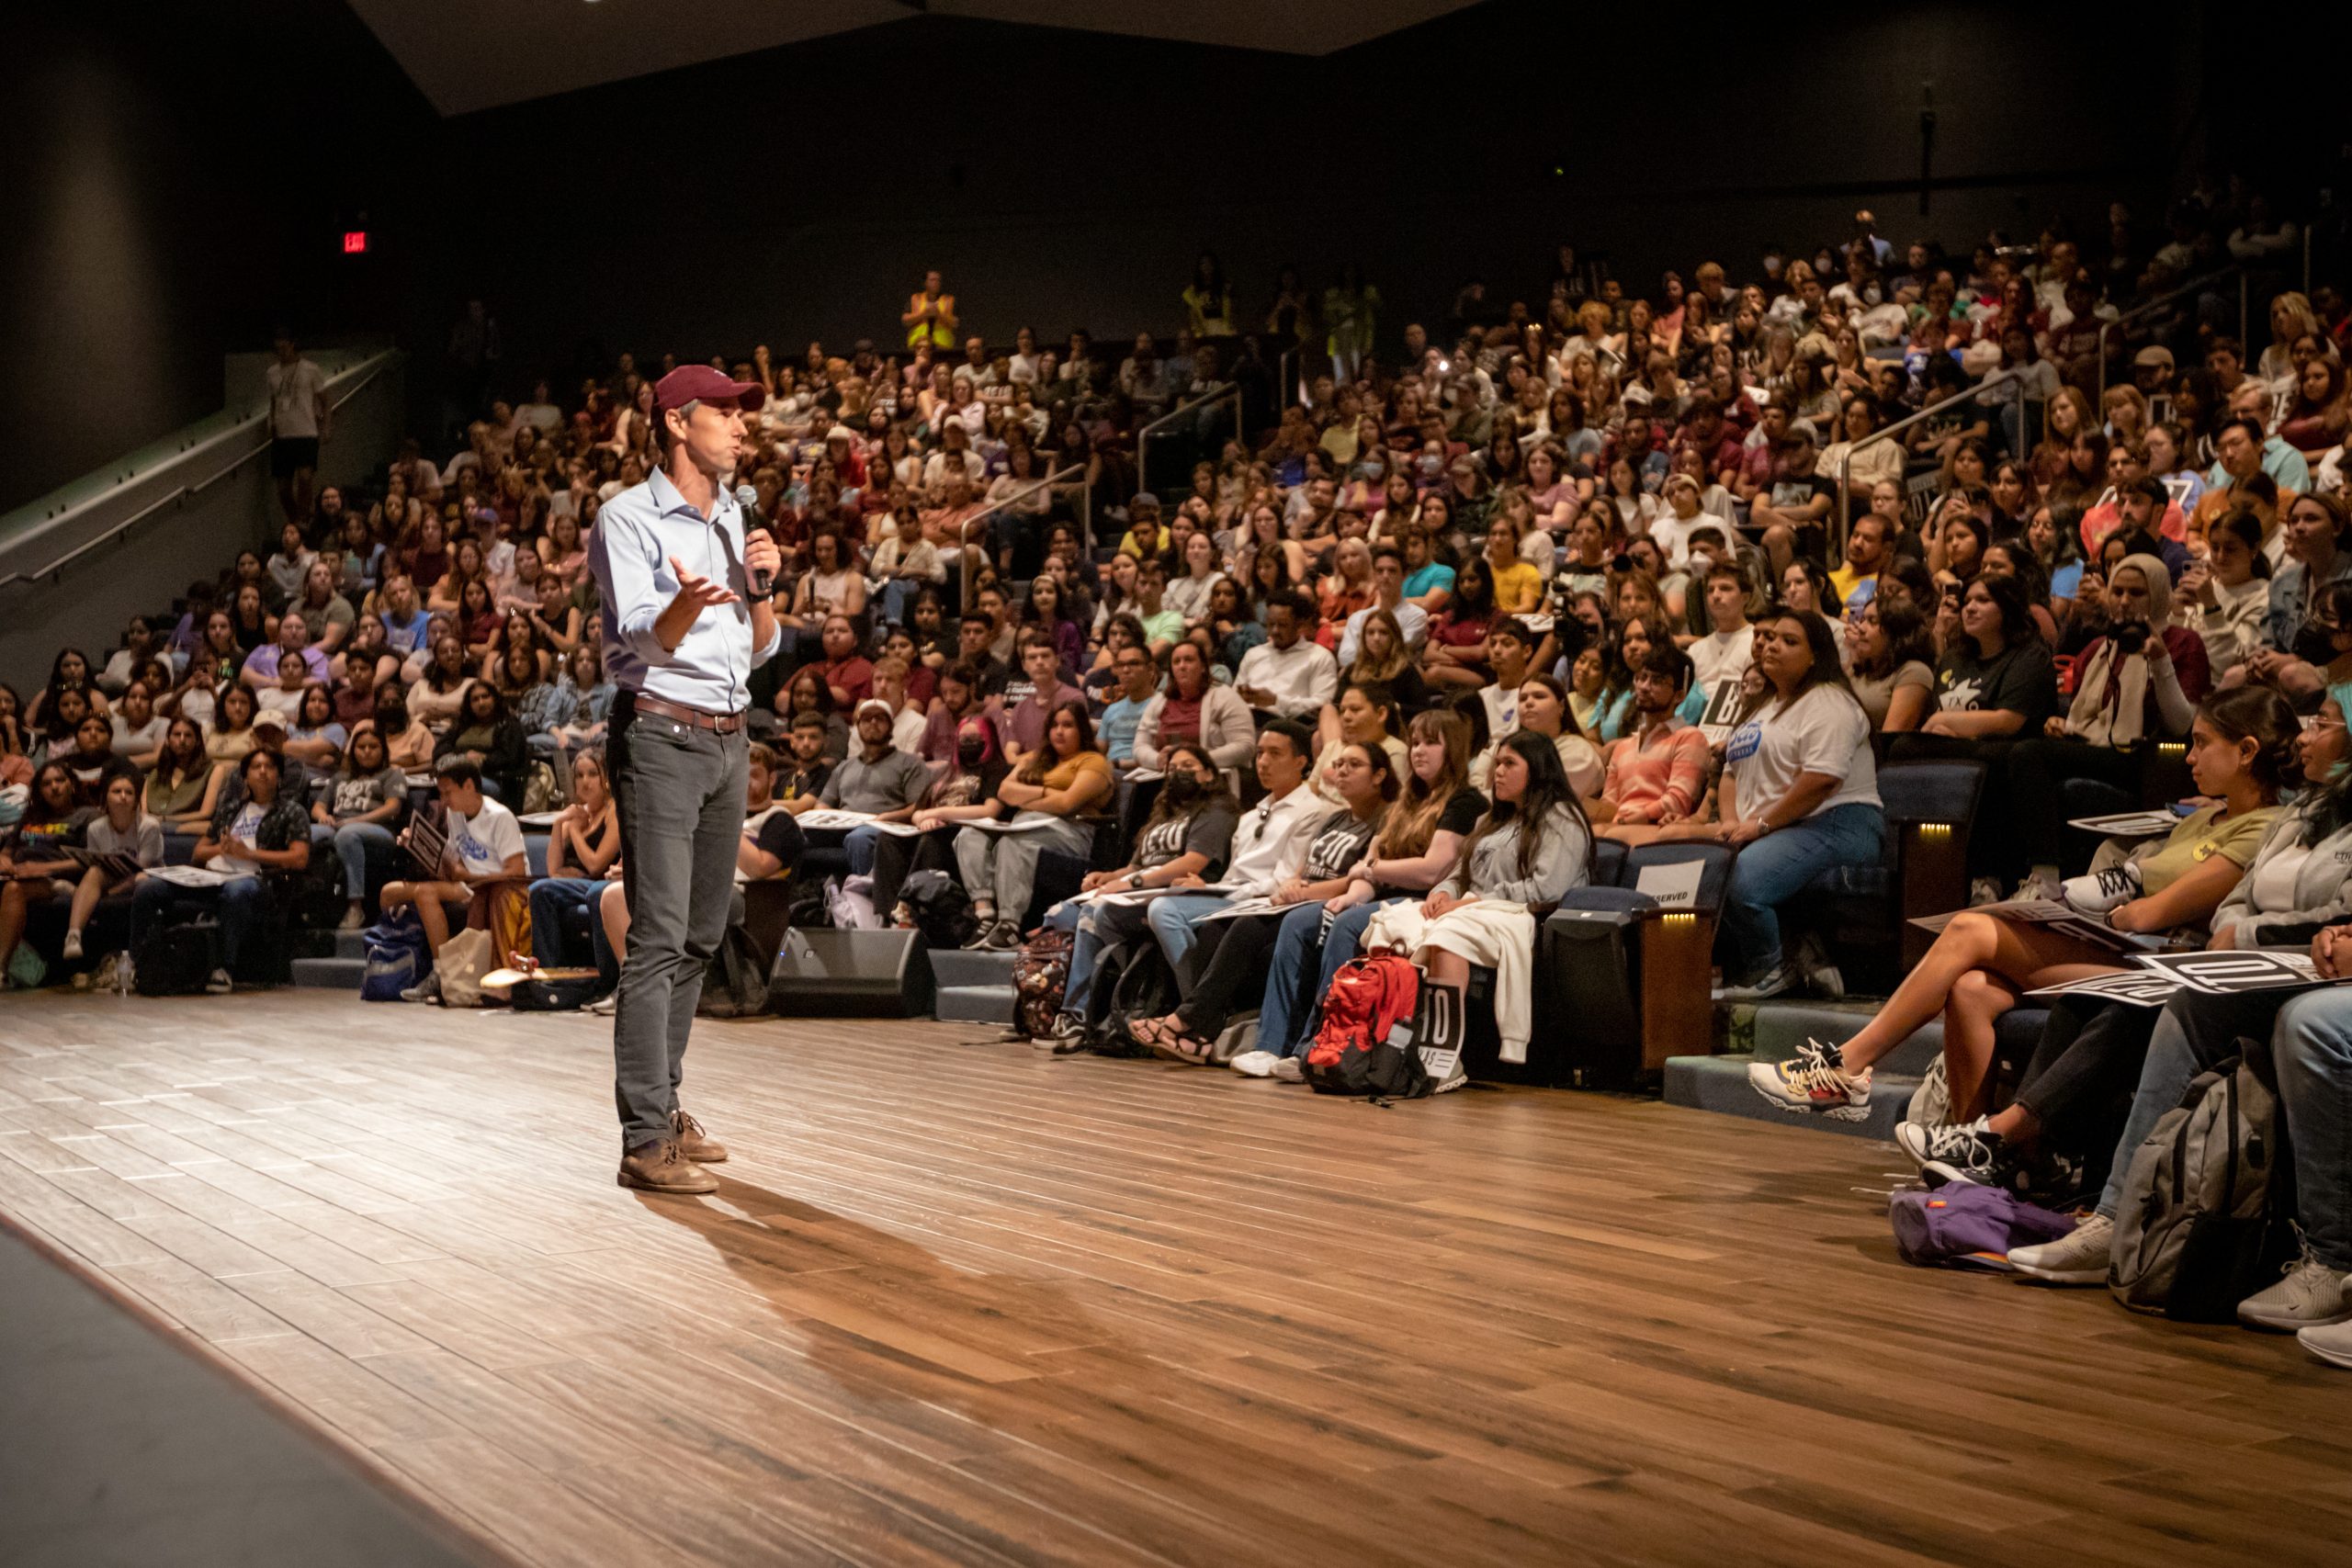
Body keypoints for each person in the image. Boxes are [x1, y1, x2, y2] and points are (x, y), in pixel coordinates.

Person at [1753, 688, 2298, 1123]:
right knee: (1969, 990)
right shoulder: (2203, 818)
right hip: (2120, 947)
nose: (2191, 756)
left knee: (1970, 929)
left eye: (2202, 743)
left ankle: (1848, 1065)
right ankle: (1968, 1148)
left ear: (2247, 751)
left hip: (2162, 967)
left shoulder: (2266, 828)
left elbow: (2148, 914)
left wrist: (2117, 900)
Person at [586, 365, 784, 1194]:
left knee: (703, 934)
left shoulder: (736, 515)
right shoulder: (625, 516)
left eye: (745, 415)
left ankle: (665, 1107)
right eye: (726, 414)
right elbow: (641, 637)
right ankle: (642, 1139)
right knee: (659, 936)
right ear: (676, 423)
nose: (742, 428)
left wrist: (761, 591)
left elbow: (761, 645)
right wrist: (689, 605)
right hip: (662, 733)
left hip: (730, 736)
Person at [1230, 710, 1485, 1077]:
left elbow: (1432, 869)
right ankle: (1269, 1046)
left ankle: (1316, 1046)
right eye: (1414, 743)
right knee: (1300, 919)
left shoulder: (1465, 801)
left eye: (1431, 743)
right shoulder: (1407, 801)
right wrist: (1356, 891)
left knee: (1348, 925)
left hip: (1426, 900)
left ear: (1454, 749)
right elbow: (1369, 863)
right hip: (1383, 896)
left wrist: (1369, 873)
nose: (1418, 751)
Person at [1129, 739, 1396, 1062]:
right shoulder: (1335, 818)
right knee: (1214, 929)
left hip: (1332, 903)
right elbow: (1301, 870)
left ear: (1380, 775)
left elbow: (1362, 876)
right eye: (1338, 764)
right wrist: (1293, 885)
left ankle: (1186, 1021)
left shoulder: (1387, 820)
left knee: (1247, 927)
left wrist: (1303, 892)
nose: (1341, 771)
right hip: (1298, 897)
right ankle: (1201, 1032)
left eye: (1354, 765)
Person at [1361, 732, 1595, 1070]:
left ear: (1539, 769)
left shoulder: (1562, 818)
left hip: (1521, 917)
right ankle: (1391, 1046)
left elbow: (1547, 889)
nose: (1497, 771)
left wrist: (1472, 903)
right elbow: (1459, 873)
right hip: (1474, 911)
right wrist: (1444, 893)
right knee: (1391, 925)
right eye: (1497, 763)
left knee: (1448, 935)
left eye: (1510, 763)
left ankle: (1442, 1057)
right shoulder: (1491, 819)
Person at [1702, 609, 1888, 1001]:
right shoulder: (1765, 707)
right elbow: (1732, 772)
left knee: (1742, 878)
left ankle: (1771, 967)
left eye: (1789, 641)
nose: (1771, 645)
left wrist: (1760, 826)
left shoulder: (1829, 702)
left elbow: (1822, 779)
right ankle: (1799, 953)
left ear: (1815, 656)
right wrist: (1732, 821)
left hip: (1839, 823)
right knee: (1705, 869)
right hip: (1783, 826)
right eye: (1770, 638)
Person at [1030, 741, 1240, 1051]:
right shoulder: (1162, 816)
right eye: (1172, 769)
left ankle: (1086, 1014)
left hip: (1185, 893)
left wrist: (1133, 882)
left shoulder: (1216, 810)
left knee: (1097, 914)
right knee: (1061, 913)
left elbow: (1193, 862)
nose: (1178, 773)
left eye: (1188, 767)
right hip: (1139, 893)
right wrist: (1109, 878)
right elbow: (1135, 865)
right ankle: (1110, 1003)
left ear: (1208, 774)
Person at [132, 749, 311, 995]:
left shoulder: (292, 812)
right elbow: (200, 852)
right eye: (256, 767)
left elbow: (299, 858)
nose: (262, 771)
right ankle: (138, 963)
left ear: (279, 776)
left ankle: (224, 968)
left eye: (269, 767)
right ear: (245, 777)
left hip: (255, 880)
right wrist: (223, 848)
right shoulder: (231, 810)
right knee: (149, 888)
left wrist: (248, 854)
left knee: (236, 890)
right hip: (212, 877)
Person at [951, 700, 1113, 949]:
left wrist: (1028, 795)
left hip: (1070, 831)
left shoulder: (1093, 762)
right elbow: (1005, 791)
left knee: (1014, 843)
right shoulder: (1037, 758)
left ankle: (1009, 925)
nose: (1059, 731)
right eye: (1055, 725)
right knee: (969, 835)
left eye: (1068, 725)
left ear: (1081, 730)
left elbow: (1067, 804)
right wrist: (1048, 794)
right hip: (1024, 825)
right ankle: (985, 914)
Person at [379, 753, 529, 975]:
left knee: (424, 893)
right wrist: (417, 843)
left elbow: (517, 872)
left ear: (468, 785)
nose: (444, 801)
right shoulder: (455, 813)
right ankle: (400, 963)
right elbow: (454, 859)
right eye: (441, 794)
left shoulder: (500, 817)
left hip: (495, 890)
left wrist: (468, 876)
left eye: (447, 793)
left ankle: (442, 973)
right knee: (388, 893)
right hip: (466, 884)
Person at [527, 749, 623, 990]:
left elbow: (595, 865)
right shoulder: (575, 813)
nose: (585, 781)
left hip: (603, 883)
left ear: (605, 777)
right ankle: (551, 975)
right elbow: (553, 868)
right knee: (540, 890)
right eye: (579, 775)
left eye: (592, 774)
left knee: (543, 890)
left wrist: (576, 832)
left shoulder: (613, 812)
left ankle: (605, 981)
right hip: (575, 885)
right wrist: (560, 822)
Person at [1593, 645, 1712, 835]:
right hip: (1617, 828)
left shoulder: (1689, 737)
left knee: (1605, 835)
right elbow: (1608, 804)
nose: (1644, 687)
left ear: (1679, 695)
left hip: (1657, 829)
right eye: (1641, 678)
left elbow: (1677, 802)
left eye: (1657, 681)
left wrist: (1627, 821)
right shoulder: (1622, 747)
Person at [60, 772, 164, 964]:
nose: (123, 796)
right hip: (110, 878)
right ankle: (73, 936)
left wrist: (108, 892)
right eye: (116, 791)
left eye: (129, 792)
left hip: (143, 879)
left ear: (135, 800)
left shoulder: (149, 826)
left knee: (140, 880)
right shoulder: (95, 828)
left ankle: (79, 894)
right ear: (105, 798)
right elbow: (96, 863)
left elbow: (142, 869)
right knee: (94, 872)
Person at [314, 725, 409, 929]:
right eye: (361, 747)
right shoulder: (340, 777)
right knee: (308, 834)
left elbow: (393, 808)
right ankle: (308, 908)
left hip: (379, 831)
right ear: (353, 750)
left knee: (348, 834)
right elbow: (318, 806)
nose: (366, 751)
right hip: (338, 827)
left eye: (373, 746)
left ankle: (355, 907)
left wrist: (357, 821)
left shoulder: (391, 774)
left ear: (383, 749)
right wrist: (324, 817)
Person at [1133, 640, 1254, 781]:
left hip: (1211, 781)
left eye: (1189, 660)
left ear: (1203, 666)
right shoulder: (1159, 700)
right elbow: (1139, 746)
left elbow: (1245, 746)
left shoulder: (1225, 697)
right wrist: (1158, 759)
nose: (1182, 666)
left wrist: (1197, 759)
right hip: (1166, 780)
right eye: (1176, 662)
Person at [1232, 591, 1339, 720]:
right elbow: (1234, 696)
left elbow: (1322, 706)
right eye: (1271, 624)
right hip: (1244, 719)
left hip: (1287, 724)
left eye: (1282, 625)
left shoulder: (1320, 657)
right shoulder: (1254, 654)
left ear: (1299, 625)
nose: (1275, 631)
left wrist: (1276, 701)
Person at [266, 330, 330, 528]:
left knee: (305, 477)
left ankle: (304, 517)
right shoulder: (272, 373)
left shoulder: (310, 369)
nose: (281, 352)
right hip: (283, 435)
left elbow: (325, 401)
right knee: (283, 488)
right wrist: (272, 423)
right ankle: (295, 520)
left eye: (284, 347)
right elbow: (273, 402)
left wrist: (326, 426)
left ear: (293, 344)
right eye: (278, 349)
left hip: (306, 432)